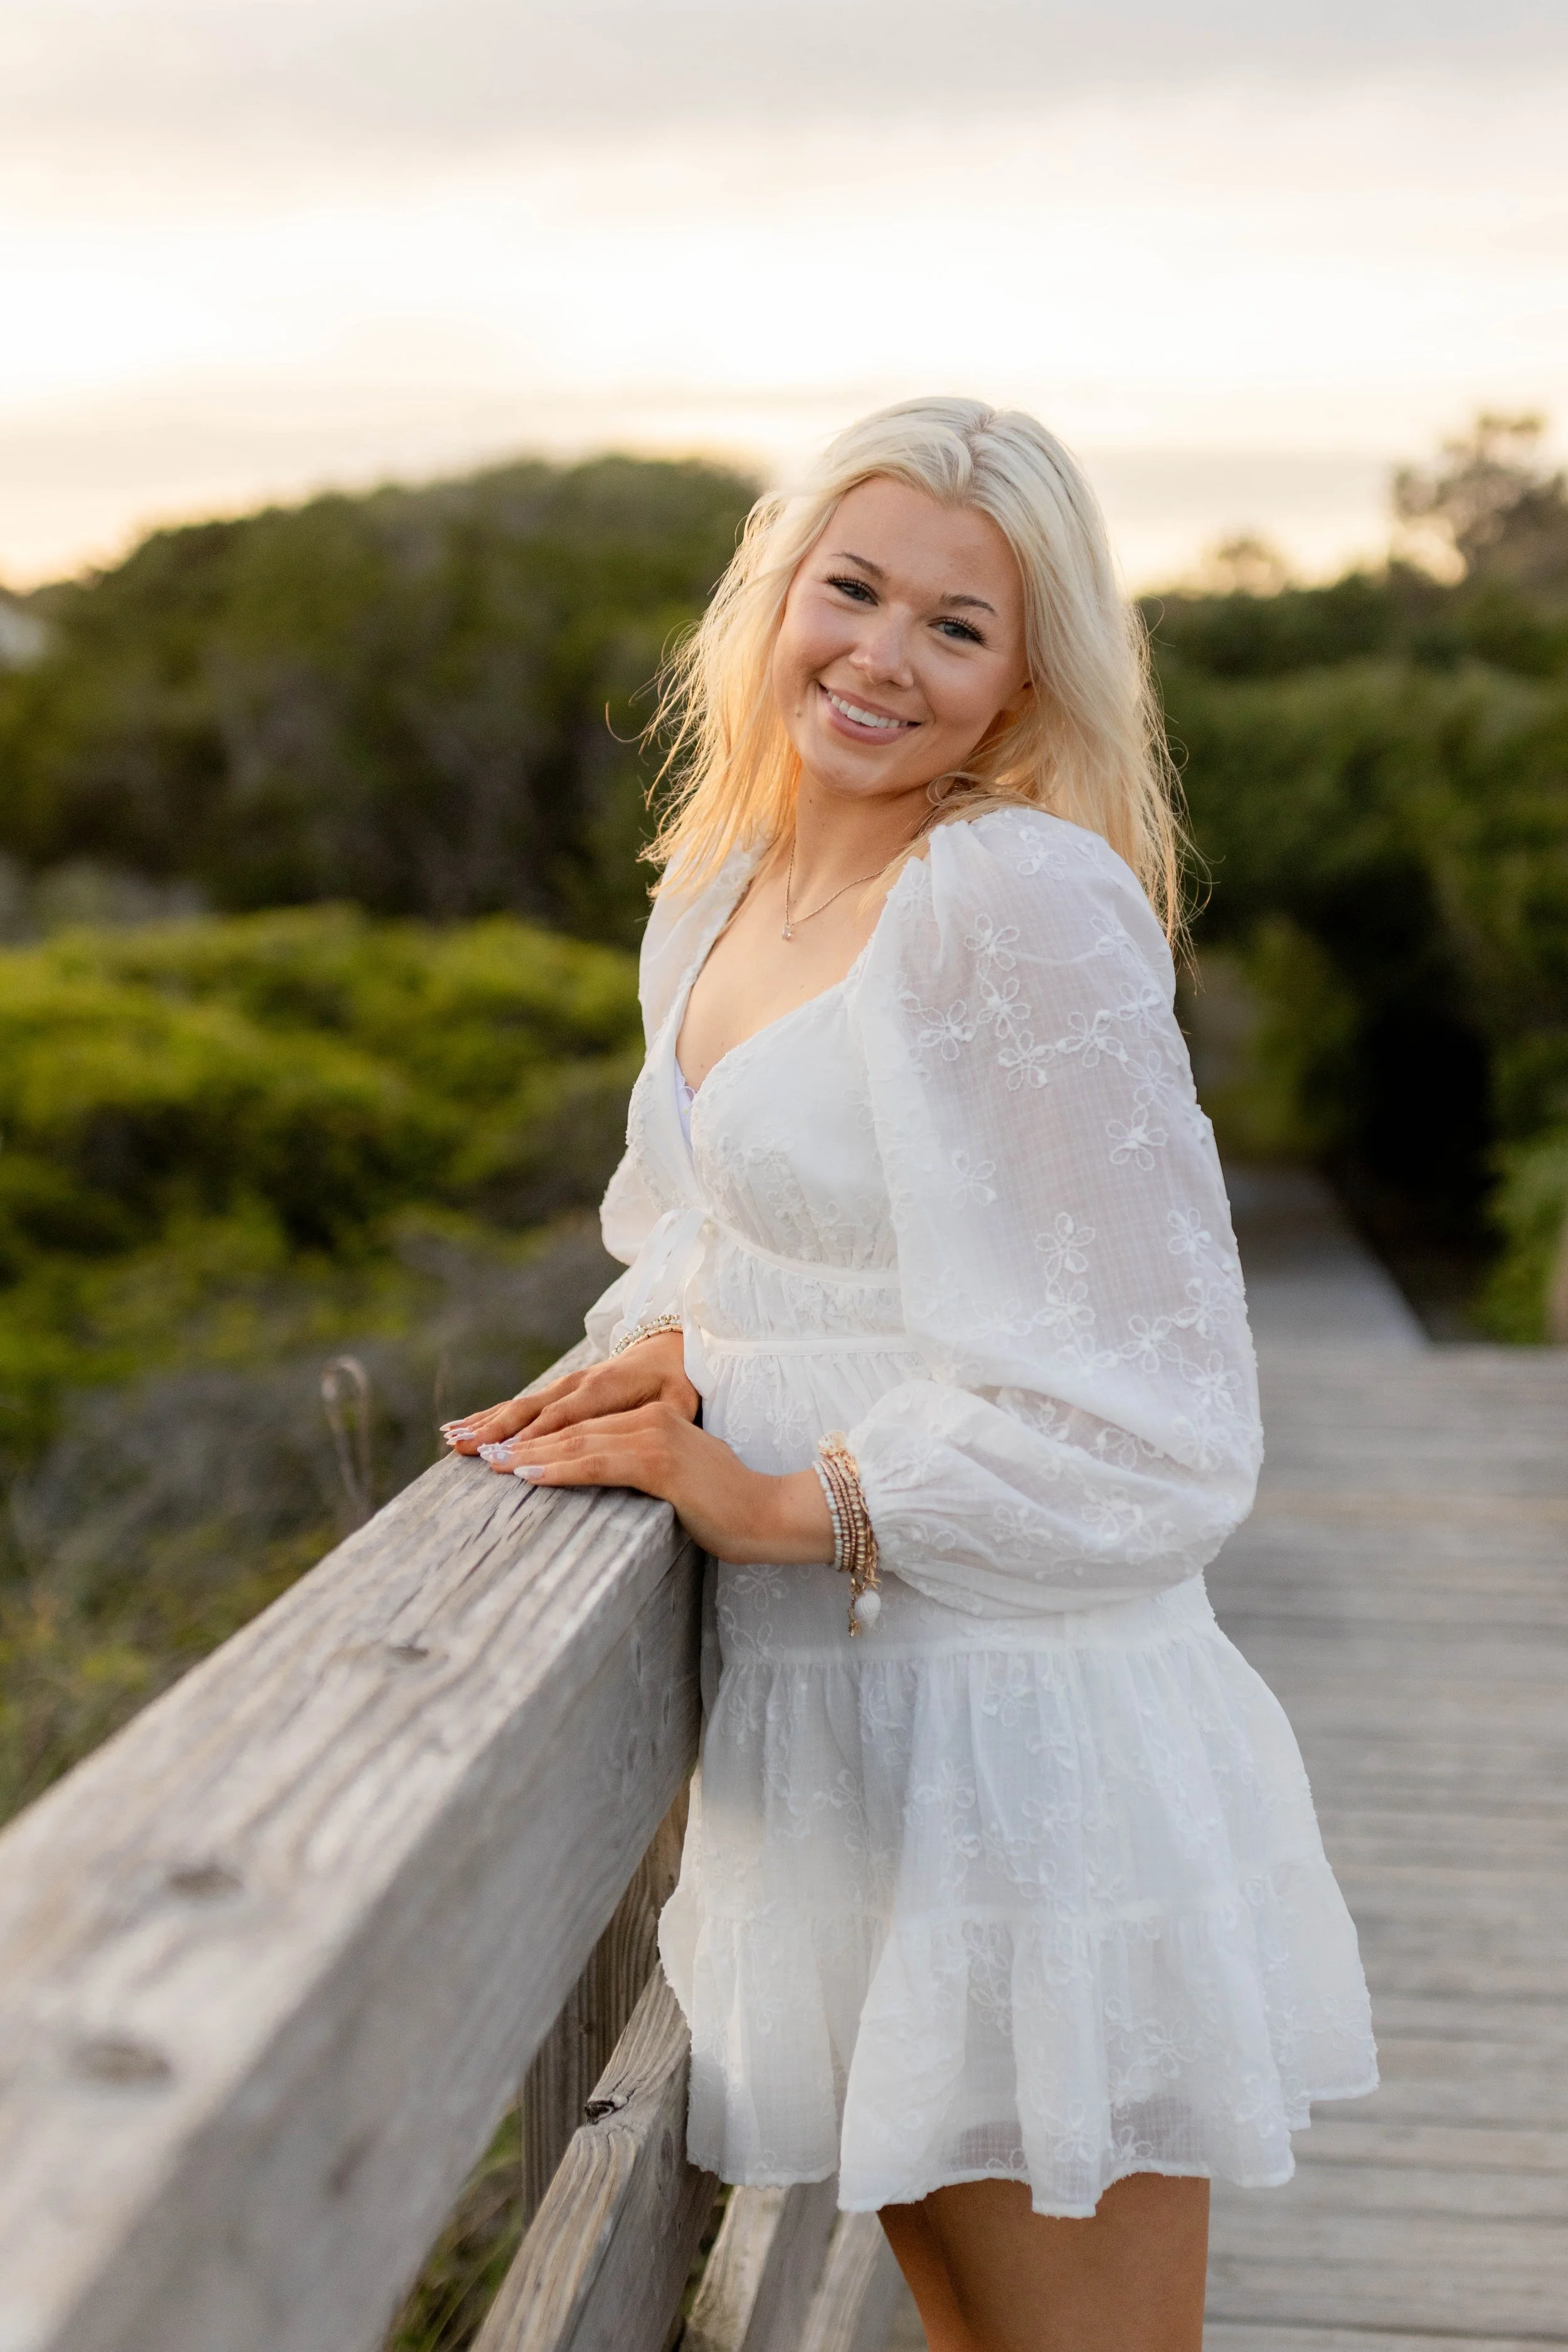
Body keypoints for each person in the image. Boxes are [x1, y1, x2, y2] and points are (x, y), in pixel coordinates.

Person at [444, 399, 1375, 2352]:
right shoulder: (724, 885)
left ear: (1029, 675)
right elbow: (740, 1240)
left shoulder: (1010, 898)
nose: (879, 655)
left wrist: (781, 1497)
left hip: (1018, 1738)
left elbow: (1154, 1400)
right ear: (771, 598)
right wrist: (644, 1372)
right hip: (838, 1737)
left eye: (957, 626)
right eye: (849, 589)